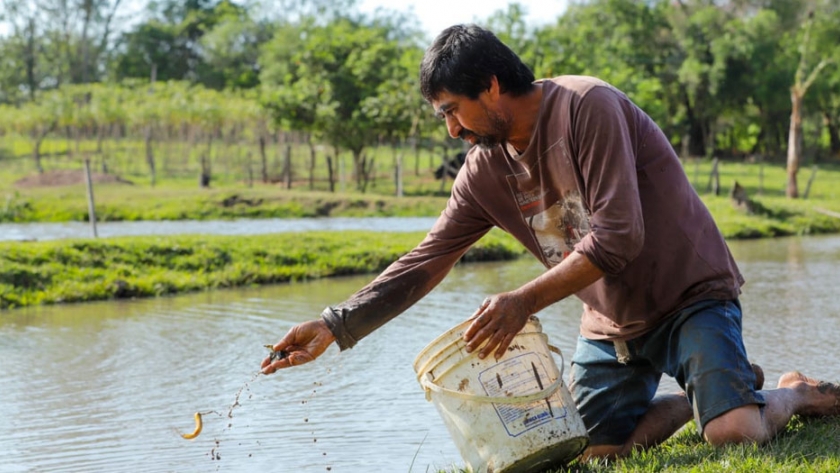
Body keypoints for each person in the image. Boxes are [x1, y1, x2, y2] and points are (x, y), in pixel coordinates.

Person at [261, 24, 840, 461]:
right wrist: (334, 325)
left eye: (453, 111)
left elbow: (619, 238)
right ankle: (709, 393)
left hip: (690, 297)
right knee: (587, 453)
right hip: (611, 325)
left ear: (491, 87)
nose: (452, 130)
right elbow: (427, 259)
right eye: (443, 118)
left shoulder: (588, 107)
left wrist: (522, 301)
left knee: (733, 434)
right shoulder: (482, 171)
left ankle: (792, 393)